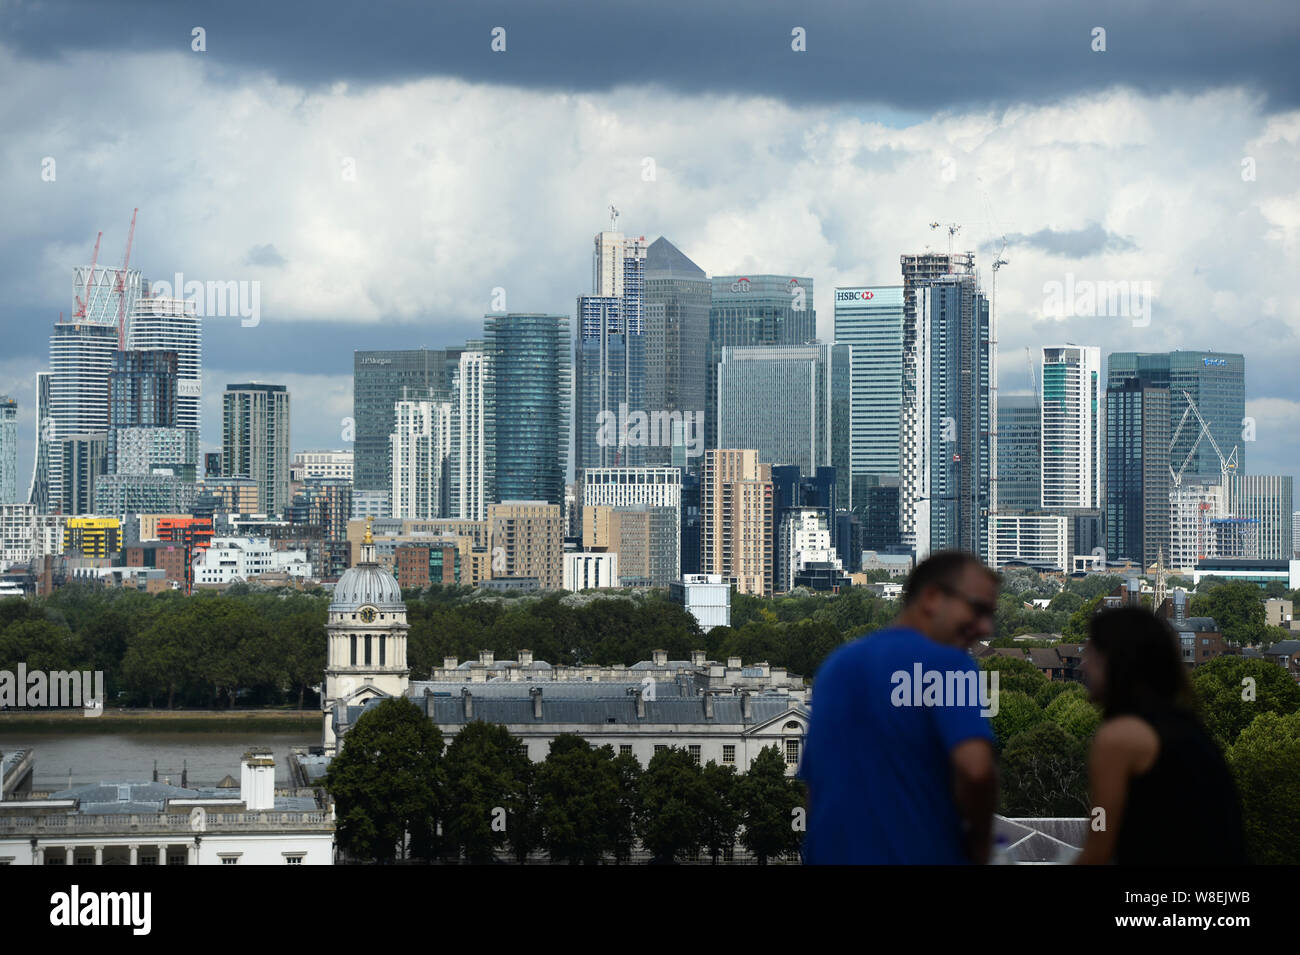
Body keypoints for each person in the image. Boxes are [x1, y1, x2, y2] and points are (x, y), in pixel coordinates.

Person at [800, 551, 999, 864]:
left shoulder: (835, 666)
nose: (986, 626)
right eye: (977, 609)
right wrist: (982, 846)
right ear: (932, 597)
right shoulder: (948, 663)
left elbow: (814, 790)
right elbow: (976, 770)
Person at [1075, 607, 1248, 865]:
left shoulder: (1120, 738)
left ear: (1114, 661)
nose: (1082, 666)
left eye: (1091, 654)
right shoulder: (1186, 725)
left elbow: (1098, 847)